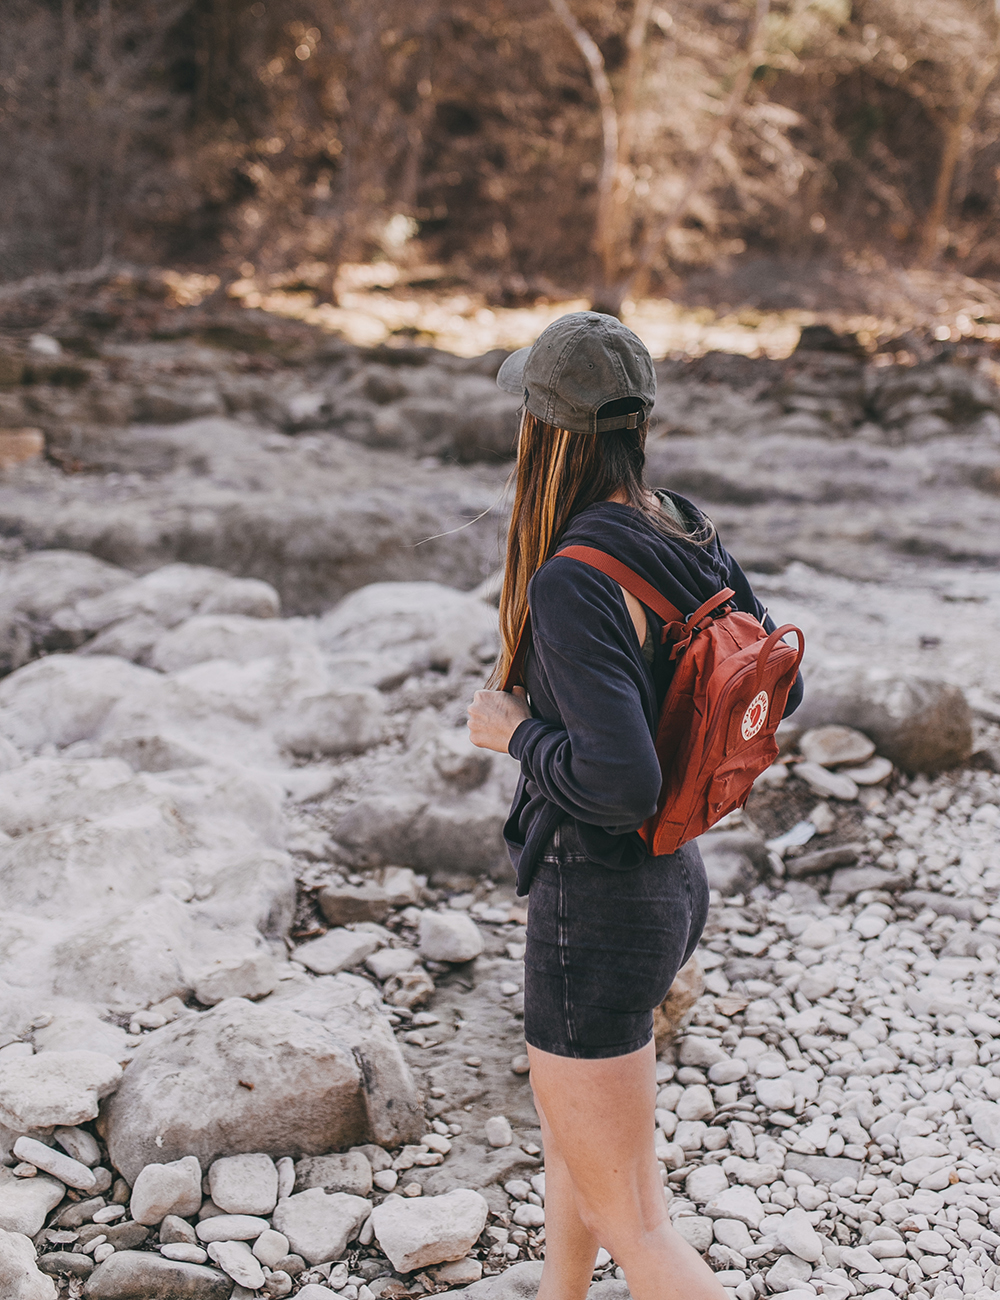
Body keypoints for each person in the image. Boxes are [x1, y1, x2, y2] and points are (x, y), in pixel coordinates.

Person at [466, 312, 803, 1300]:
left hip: (598, 906)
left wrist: (513, 733)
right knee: (582, 1142)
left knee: (639, 1225)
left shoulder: (572, 577)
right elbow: (774, 682)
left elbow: (617, 785)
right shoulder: (682, 526)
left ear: (546, 432)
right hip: (672, 885)